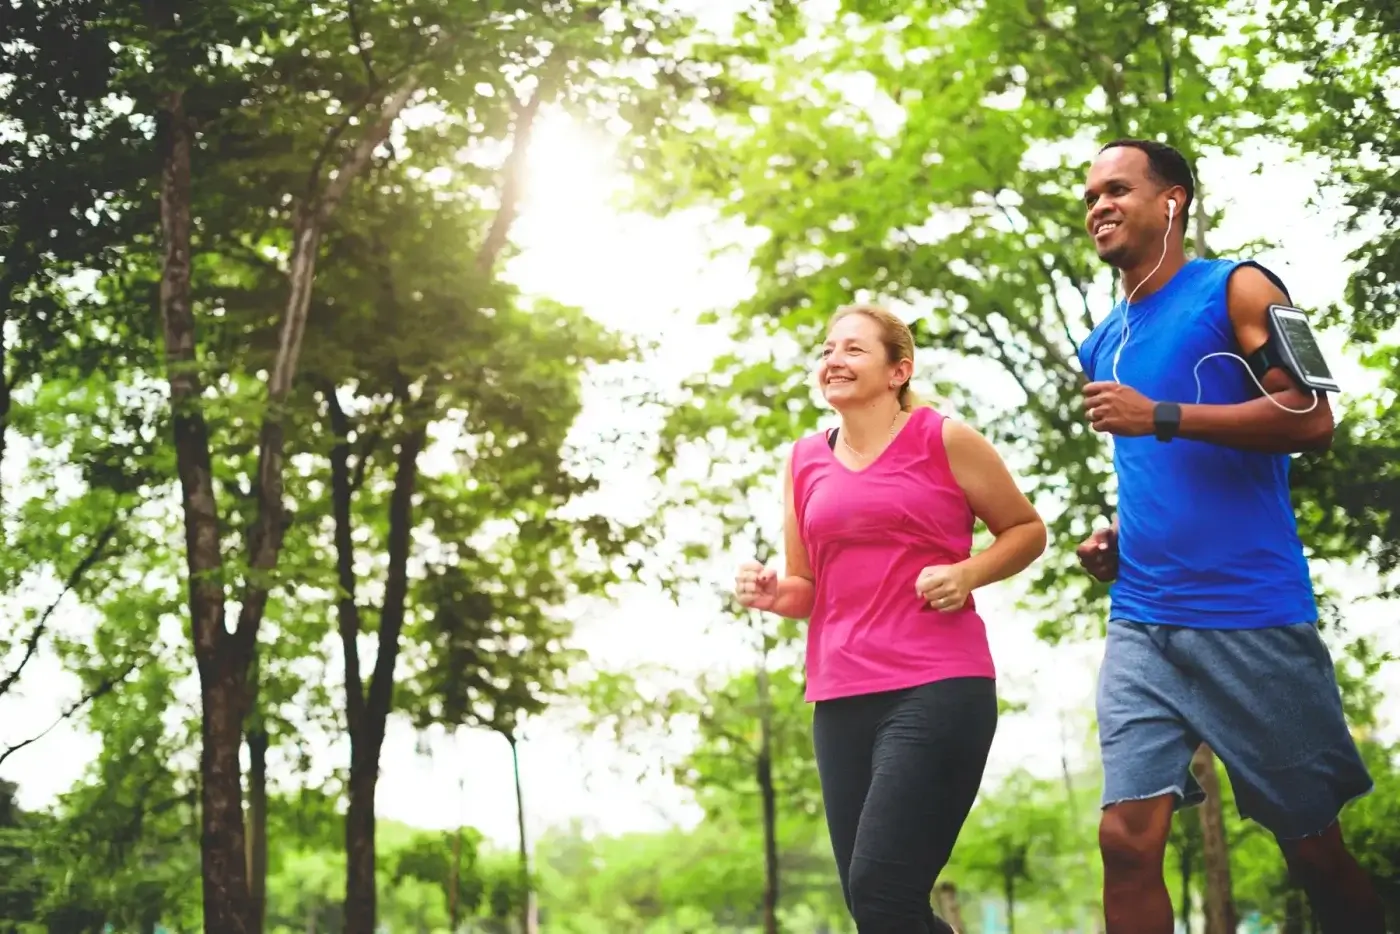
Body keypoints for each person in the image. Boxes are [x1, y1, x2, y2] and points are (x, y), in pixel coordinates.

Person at [1075, 138, 1383, 934]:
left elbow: (1312, 418)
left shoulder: (1240, 286)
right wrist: (1119, 536)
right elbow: (1151, 468)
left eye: (1117, 189)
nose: (1098, 206)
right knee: (1126, 840)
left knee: (1312, 849)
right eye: (1089, 197)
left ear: (1172, 200)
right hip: (1144, 618)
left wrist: (1163, 416)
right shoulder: (1103, 340)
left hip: (1250, 613)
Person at [733, 304, 1047, 934]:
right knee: (876, 906)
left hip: (937, 685)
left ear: (898, 370)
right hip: (841, 696)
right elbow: (806, 587)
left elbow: (1027, 529)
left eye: (852, 349)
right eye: (826, 351)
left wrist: (967, 574)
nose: (833, 361)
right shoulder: (803, 461)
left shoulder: (944, 438)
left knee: (882, 889)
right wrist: (772, 592)